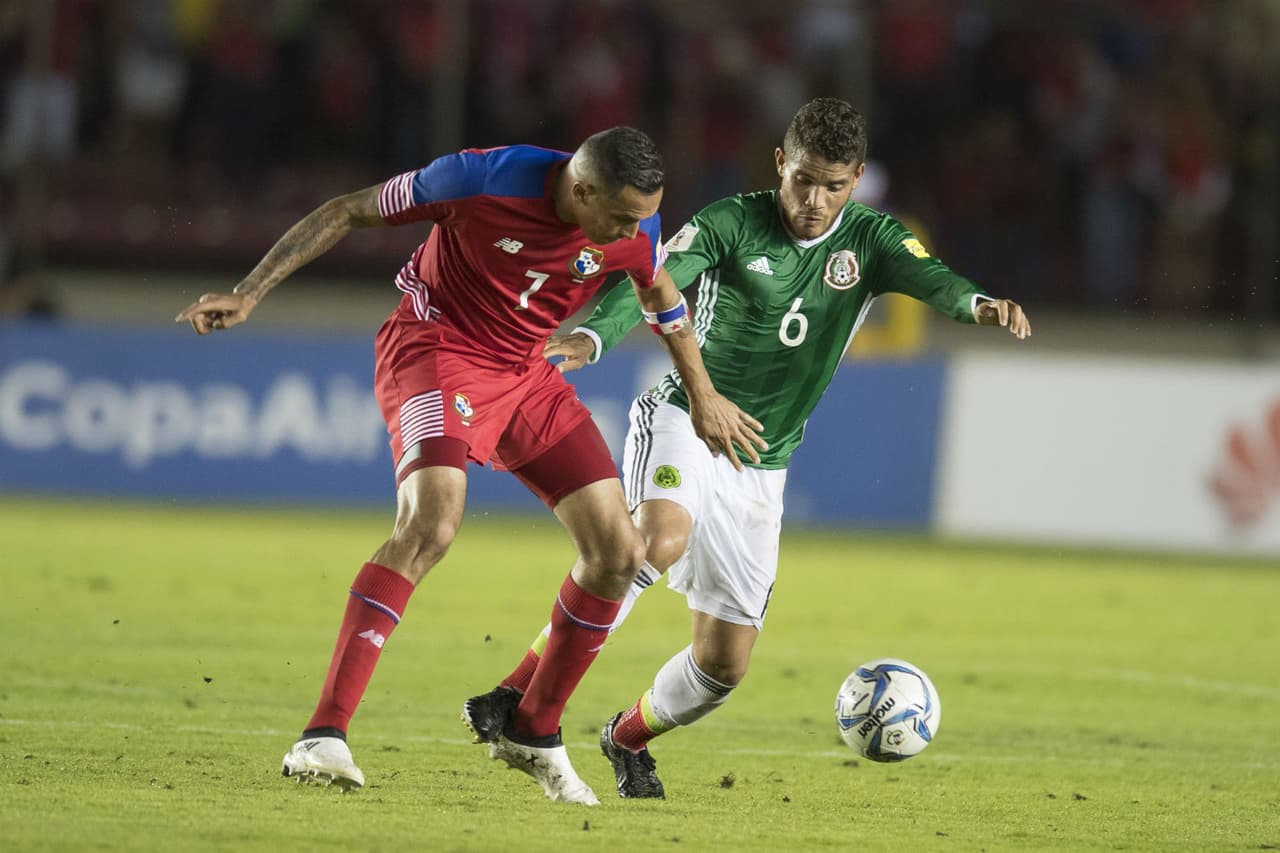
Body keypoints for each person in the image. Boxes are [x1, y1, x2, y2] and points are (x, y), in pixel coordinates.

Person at [175, 127, 765, 806]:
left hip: (526, 370)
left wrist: (703, 396)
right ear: (581, 190)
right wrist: (250, 292)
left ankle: (533, 727)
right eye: (623, 216)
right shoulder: (479, 181)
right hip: (435, 349)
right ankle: (322, 732)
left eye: (644, 215)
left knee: (619, 549)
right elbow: (346, 209)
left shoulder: (634, 218)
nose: (634, 228)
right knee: (432, 521)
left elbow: (661, 295)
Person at [461, 98, 1031, 798]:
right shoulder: (730, 222)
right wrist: (593, 335)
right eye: (803, 180)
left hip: (764, 462)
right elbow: (652, 276)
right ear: (780, 164)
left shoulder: (873, 240)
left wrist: (979, 304)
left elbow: (933, 278)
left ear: (855, 179)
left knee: (723, 665)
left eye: (834, 185)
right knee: (655, 540)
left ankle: (625, 737)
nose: (815, 201)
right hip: (687, 418)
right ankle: (519, 693)